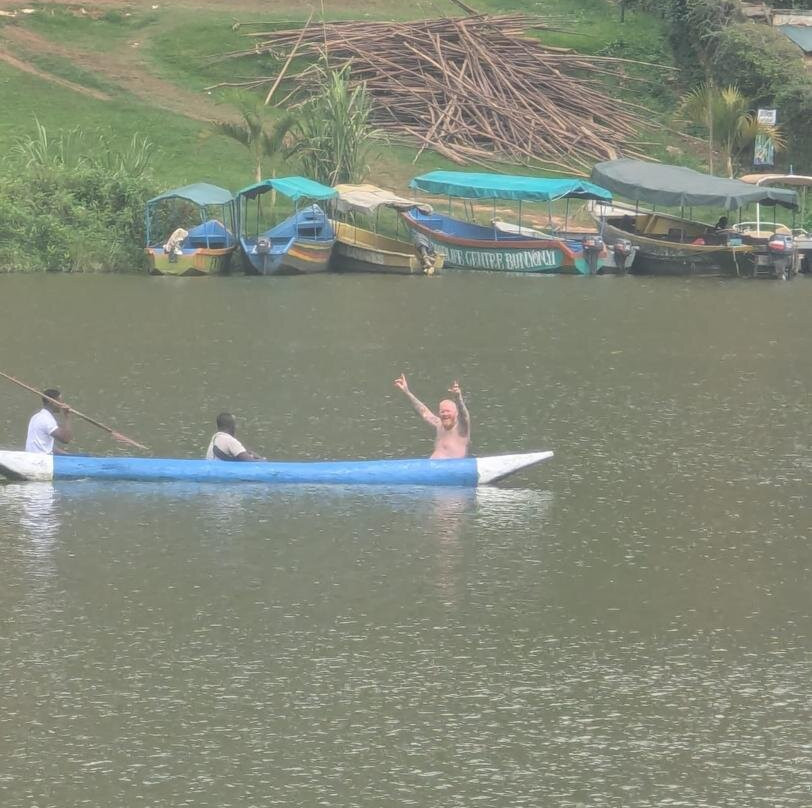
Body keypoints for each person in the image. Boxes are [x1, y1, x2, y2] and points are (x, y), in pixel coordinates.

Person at [394, 374, 470, 459]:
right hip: (433, 468)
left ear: (456, 414)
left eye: (448, 411)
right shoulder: (439, 424)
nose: (445, 414)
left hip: (452, 470)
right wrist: (407, 392)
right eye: (442, 412)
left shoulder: (461, 428)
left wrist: (458, 397)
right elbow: (424, 412)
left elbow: (464, 414)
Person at [25, 388, 73, 455]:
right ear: (52, 402)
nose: (62, 404)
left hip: (33, 457)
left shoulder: (36, 416)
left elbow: (48, 446)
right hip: (40, 460)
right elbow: (66, 439)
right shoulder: (46, 420)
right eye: (60, 401)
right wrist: (67, 416)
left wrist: (68, 455)